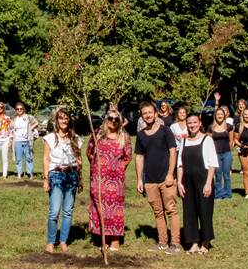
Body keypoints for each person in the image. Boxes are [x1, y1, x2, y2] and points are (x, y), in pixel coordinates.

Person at [134, 101, 182, 254]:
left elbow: (173, 152)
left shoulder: (165, 131)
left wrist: (170, 174)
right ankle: (162, 242)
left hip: (166, 179)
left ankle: (175, 243)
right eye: (144, 113)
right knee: (158, 212)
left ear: (155, 113)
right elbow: (139, 158)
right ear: (142, 117)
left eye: (150, 112)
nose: (147, 115)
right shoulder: (141, 136)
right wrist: (140, 179)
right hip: (150, 181)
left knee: (171, 210)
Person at [87, 111, 132, 252]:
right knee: (101, 208)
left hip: (116, 181)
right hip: (99, 179)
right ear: (105, 119)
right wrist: (97, 168)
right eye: (110, 118)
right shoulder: (98, 134)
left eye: (116, 119)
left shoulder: (124, 137)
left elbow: (128, 157)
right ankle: (103, 238)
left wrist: (117, 169)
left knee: (115, 210)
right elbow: (89, 152)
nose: (113, 121)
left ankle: (115, 239)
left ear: (120, 121)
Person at [42, 108, 82, 253]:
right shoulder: (50, 138)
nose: (64, 121)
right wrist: (46, 179)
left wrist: (80, 179)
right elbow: (46, 159)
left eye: (66, 118)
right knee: (54, 211)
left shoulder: (75, 138)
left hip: (71, 175)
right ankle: (51, 241)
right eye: (61, 118)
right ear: (56, 121)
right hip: (56, 175)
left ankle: (63, 240)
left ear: (69, 120)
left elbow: (79, 160)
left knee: (68, 211)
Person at [177, 112, 217, 254]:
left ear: (199, 123)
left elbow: (212, 164)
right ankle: (193, 242)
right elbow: (180, 164)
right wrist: (179, 183)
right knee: (189, 212)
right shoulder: (184, 141)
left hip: (203, 179)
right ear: (186, 125)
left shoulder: (207, 140)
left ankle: (205, 242)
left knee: (204, 211)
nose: (192, 125)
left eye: (194, 122)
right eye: (189, 123)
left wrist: (208, 183)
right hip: (187, 181)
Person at [209, 107, 233, 199]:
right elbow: (209, 141)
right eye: (218, 114)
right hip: (216, 154)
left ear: (224, 116)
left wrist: (229, 150)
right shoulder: (211, 127)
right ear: (215, 116)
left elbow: (231, 141)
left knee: (226, 175)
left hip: (227, 153)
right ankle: (218, 194)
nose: (220, 116)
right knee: (218, 175)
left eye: (221, 114)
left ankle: (227, 194)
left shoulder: (229, 126)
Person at [12, 103, 38, 179]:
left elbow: (36, 123)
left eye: (21, 109)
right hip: (17, 141)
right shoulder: (14, 118)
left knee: (28, 158)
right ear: (15, 110)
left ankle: (30, 174)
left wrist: (31, 128)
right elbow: (11, 128)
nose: (19, 110)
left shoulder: (28, 117)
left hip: (27, 141)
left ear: (23, 109)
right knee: (18, 159)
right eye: (17, 109)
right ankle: (19, 174)